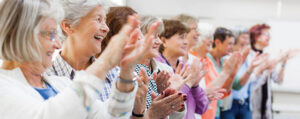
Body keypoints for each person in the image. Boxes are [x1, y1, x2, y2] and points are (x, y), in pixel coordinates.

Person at [0, 0, 160, 118]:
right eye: (50, 34)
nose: (57, 44)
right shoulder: (4, 86)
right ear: (19, 34)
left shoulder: (59, 83)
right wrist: (105, 62)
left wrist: (126, 73)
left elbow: (112, 116)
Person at [103, 8, 186, 119]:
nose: (158, 41)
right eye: (153, 35)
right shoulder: (122, 71)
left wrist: (168, 96)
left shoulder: (152, 70)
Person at [45, 0, 114, 101]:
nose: (106, 28)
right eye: (98, 19)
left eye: (105, 20)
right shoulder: (46, 77)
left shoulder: (115, 74)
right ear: (68, 26)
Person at [155, 19, 210, 119]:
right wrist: (188, 84)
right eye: (181, 37)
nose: (186, 42)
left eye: (186, 37)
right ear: (163, 41)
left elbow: (202, 108)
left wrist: (195, 86)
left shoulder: (186, 67)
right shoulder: (157, 67)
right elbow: (167, 106)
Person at [220, 26, 266, 119]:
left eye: (248, 38)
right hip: (229, 105)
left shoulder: (249, 57)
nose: (246, 41)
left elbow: (251, 80)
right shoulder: (227, 57)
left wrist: (258, 71)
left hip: (245, 104)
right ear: (235, 39)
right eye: (243, 37)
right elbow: (235, 84)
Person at [249, 24, 292, 119]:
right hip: (252, 107)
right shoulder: (249, 56)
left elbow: (278, 80)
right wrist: (276, 61)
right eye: (266, 34)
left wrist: (283, 64)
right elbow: (253, 84)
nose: (269, 37)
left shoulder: (267, 56)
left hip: (266, 108)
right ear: (256, 36)